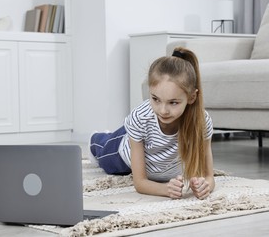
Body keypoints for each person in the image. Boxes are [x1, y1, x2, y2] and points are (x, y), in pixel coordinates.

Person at [89, 47, 215, 200]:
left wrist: (205, 186)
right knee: (103, 153)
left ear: (191, 97)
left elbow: (209, 176)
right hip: (126, 150)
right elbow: (140, 183)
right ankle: (96, 138)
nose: (163, 110)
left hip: (156, 157)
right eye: (155, 99)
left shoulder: (202, 122)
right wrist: (165, 189)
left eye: (173, 102)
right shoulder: (141, 117)